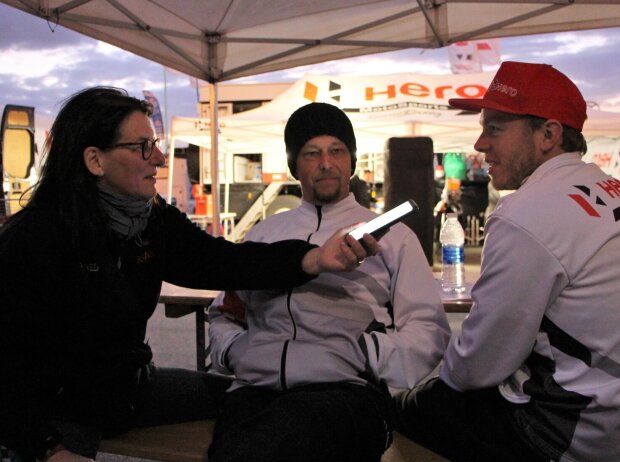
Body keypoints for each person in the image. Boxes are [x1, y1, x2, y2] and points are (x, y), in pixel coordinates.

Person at [0, 88, 380, 462]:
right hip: (54, 409)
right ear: (95, 160)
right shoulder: (35, 238)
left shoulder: (150, 219)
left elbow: (222, 261)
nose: (161, 158)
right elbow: (9, 368)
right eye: (143, 147)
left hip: (127, 389)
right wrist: (50, 448)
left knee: (248, 397)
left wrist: (314, 258)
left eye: (156, 143)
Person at [394, 61, 620, 462]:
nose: (480, 144)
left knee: (402, 407)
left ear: (548, 134)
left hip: (574, 430)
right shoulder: (607, 186)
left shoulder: (527, 215)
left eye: (495, 127)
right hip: (606, 405)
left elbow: (476, 365)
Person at [207, 102, 450, 462]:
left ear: (351, 160)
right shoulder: (264, 235)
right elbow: (224, 312)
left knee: (281, 440)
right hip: (256, 390)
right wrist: (235, 351)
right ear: (294, 165)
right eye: (311, 153)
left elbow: (429, 331)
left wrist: (364, 353)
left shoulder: (393, 238)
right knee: (239, 447)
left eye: (337, 150)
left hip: (350, 392)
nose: (326, 163)